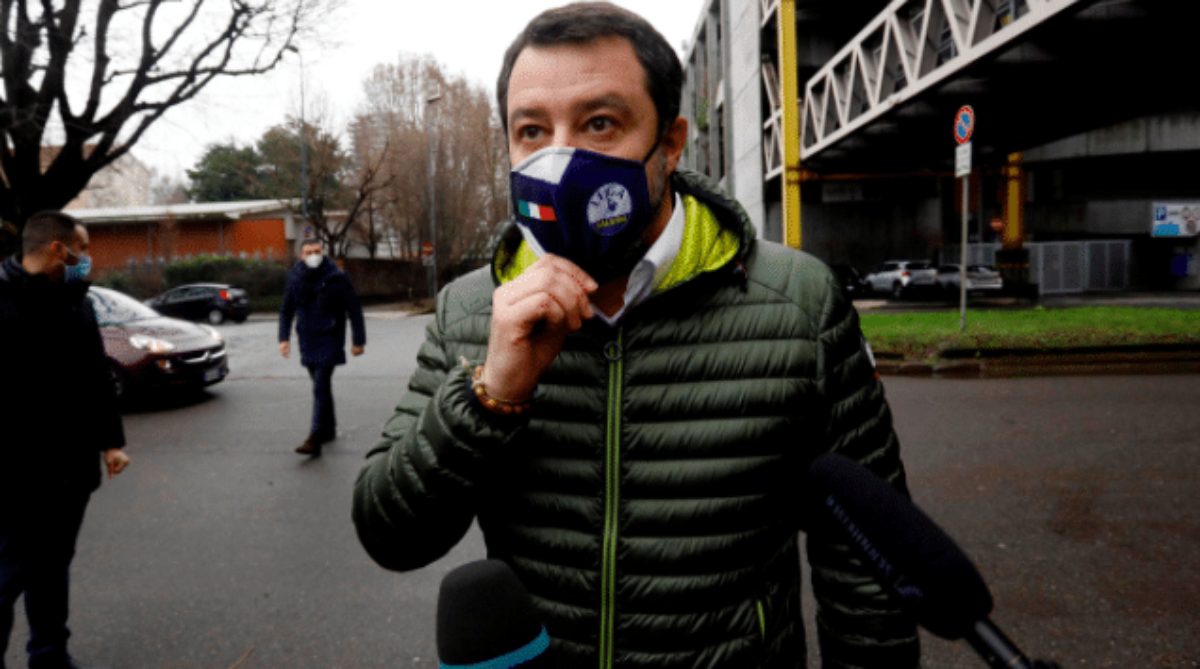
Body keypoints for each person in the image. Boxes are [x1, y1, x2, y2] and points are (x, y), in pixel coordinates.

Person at [352, 3, 920, 667]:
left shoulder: (798, 302)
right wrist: (490, 395)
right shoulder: (471, 312)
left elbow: (869, 571)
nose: (561, 158)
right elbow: (392, 536)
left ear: (670, 143)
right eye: (532, 131)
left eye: (600, 123)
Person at [0, 211, 131, 669]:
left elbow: (96, 376)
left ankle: (49, 655)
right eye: (83, 247)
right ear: (59, 248)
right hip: (16, 472)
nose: (88, 257)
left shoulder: (77, 300)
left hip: (71, 469)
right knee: (9, 571)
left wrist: (111, 442)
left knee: (53, 566)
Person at [278, 238, 366, 456]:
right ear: (301, 255)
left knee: (320, 385)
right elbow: (287, 310)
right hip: (307, 338)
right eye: (309, 252)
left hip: (330, 337)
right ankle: (329, 428)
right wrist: (283, 338)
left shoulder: (337, 277)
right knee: (322, 387)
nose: (313, 256)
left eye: (317, 251)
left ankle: (314, 438)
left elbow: (354, 309)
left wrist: (358, 341)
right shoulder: (295, 277)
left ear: (323, 252)